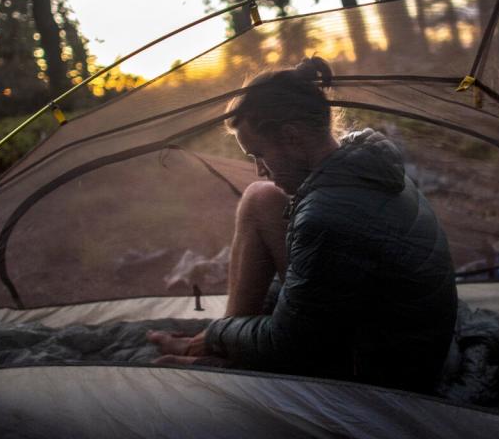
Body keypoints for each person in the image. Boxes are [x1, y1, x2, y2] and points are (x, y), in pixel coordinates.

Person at [147, 56, 457, 394]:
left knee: (260, 197)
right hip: (401, 340)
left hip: (380, 375)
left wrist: (220, 333)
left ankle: (222, 355)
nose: (259, 169)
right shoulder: (366, 161)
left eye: (258, 155)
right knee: (261, 197)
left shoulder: (326, 216)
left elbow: (289, 345)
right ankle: (220, 348)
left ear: (292, 137)